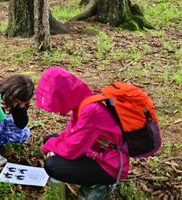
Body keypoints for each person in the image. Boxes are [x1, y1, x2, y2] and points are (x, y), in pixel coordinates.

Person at [35, 67, 129, 198]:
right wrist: (51, 144)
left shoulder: (90, 111)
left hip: (109, 165)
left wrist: (49, 148)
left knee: (52, 166)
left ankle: (101, 185)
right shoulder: (82, 101)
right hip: (95, 151)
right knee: (50, 139)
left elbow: (71, 149)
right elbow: (71, 133)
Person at [0, 75, 35, 167]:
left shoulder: (19, 101)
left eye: (20, 103)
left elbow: (20, 125)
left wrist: (21, 108)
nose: (16, 104)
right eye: (16, 101)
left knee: (23, 133)